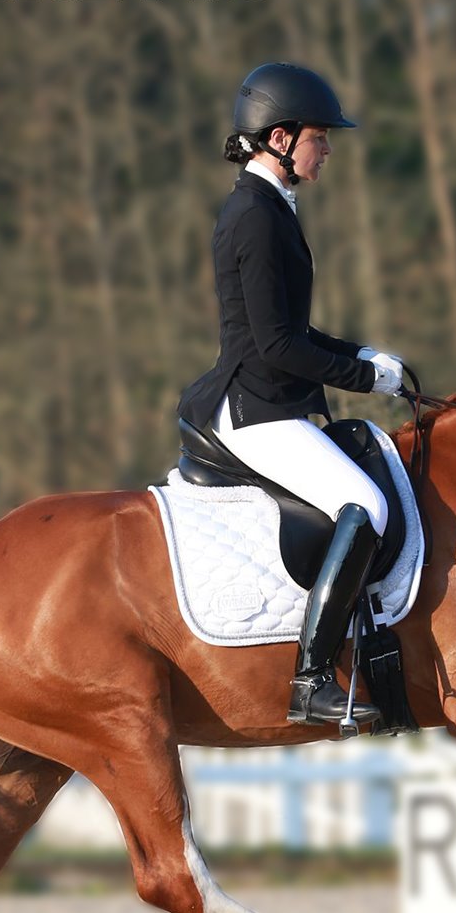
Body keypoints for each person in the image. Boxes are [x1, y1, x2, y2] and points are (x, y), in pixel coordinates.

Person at [178, 63, 405, 726]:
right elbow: (276, 347)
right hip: (257, 408)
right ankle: (311, 681)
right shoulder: (254, 216)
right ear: (280, 137)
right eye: (320, 136)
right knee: (364, 502)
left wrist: (358, 354)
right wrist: (363, 379)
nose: (327, 148)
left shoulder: (270, 206)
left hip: (274, 398)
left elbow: (290, 329)